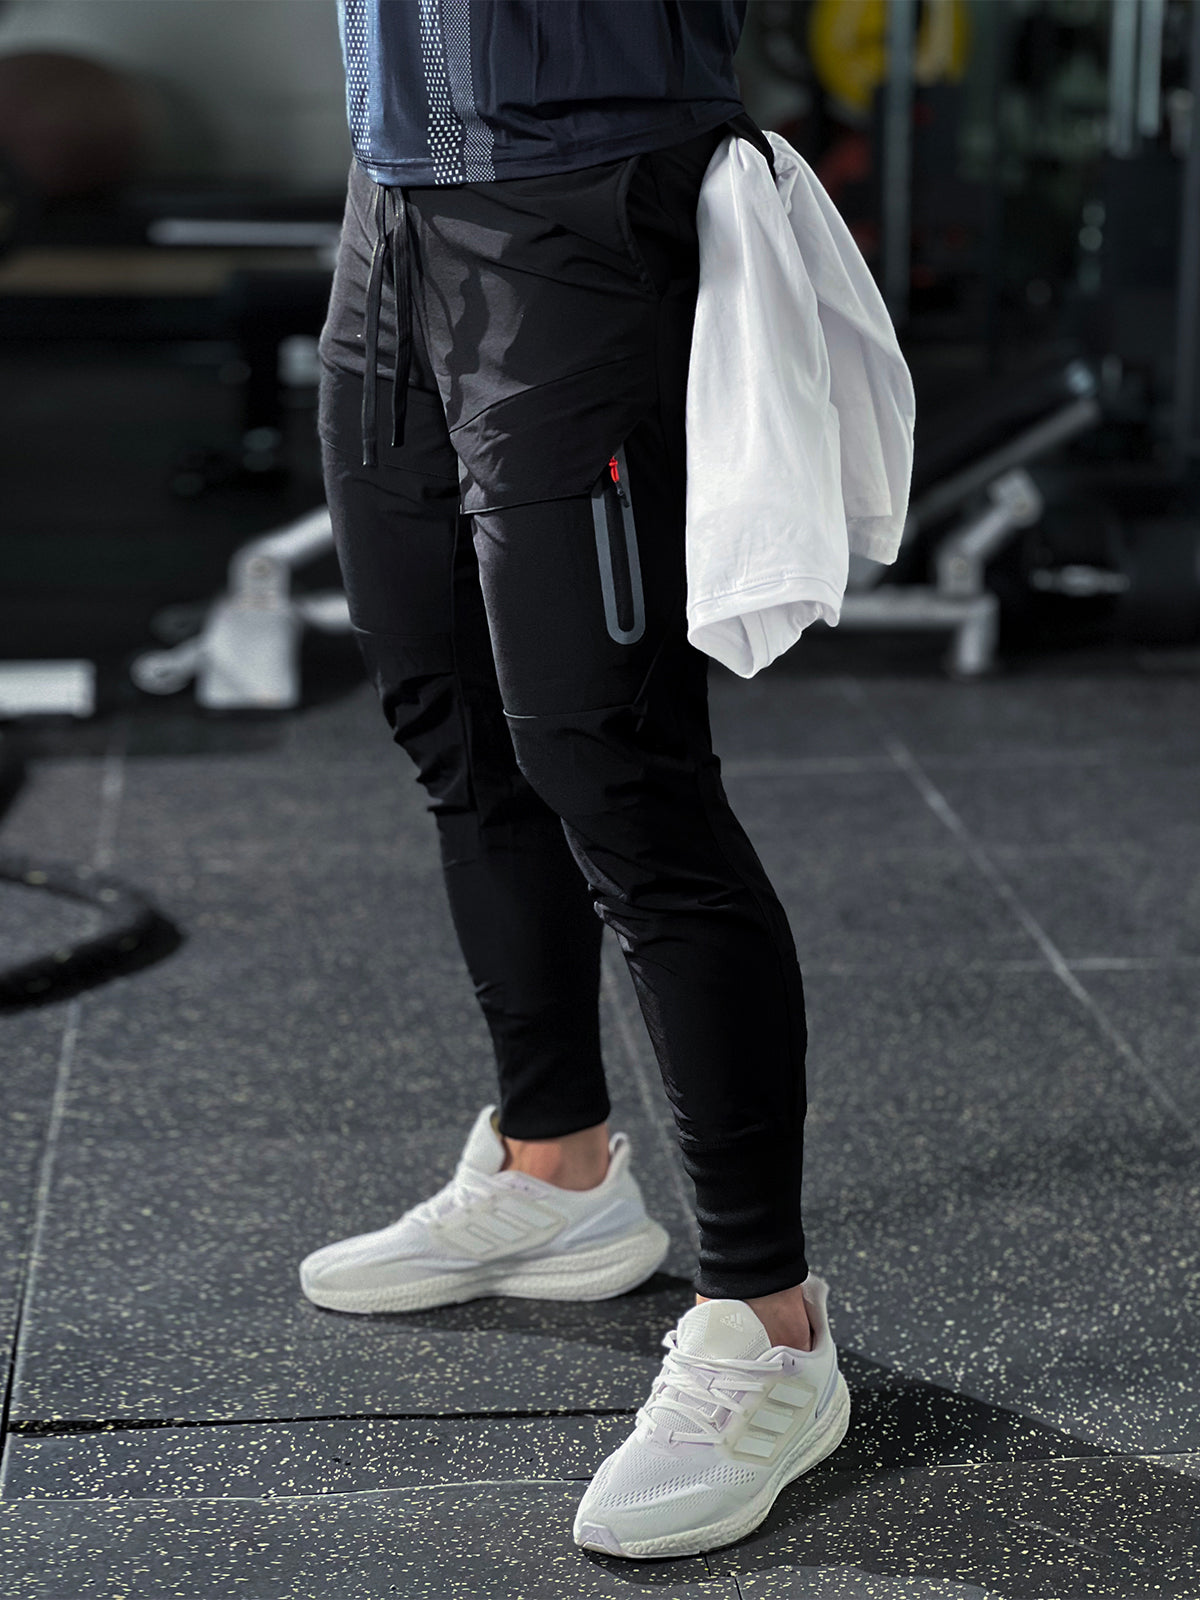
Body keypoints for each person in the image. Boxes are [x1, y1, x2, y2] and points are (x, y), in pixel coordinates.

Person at [300, 0, 849, 1559]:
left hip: (579, 202)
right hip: (393, 200)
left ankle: (771, 1327)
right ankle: (557, 1170)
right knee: (452, 719)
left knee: (617, 766)